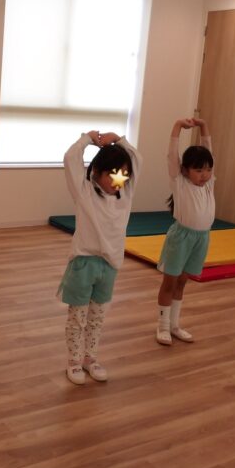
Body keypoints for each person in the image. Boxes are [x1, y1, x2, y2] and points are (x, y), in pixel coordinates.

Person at [59, 130, 141, 384]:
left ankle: (90, 358)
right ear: (96, 172)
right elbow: (71, 158)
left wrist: (118, 139)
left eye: (124, 174)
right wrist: (87, 138)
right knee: (78, 317)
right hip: (83, 264)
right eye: (113, 174)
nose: (119, 179)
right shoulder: (85, 192)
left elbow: (136, 159)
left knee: (97, 317)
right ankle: (74, 362)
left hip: (109, 266)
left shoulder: (125, 195)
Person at [155, 118, 213, 346]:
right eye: (198, 170)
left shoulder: (209, 184)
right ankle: (162, 326)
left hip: (202, 238)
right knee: (170, 282)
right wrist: (178, 126)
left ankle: (174, 325)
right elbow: (172, 154)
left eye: (208, 169)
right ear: (185, 170)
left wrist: (203, 126)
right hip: (181, 237)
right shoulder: (179, 181)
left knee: (182, 282)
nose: (204, 174)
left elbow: (209, 149)